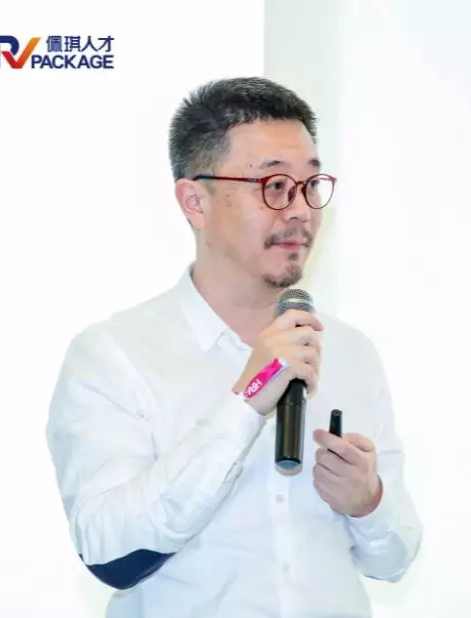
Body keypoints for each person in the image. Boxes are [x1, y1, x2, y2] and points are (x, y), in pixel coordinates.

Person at [46, 76, 423, 618]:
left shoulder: (350, 351)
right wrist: (248, 398)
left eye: (310, 185)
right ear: (195, 202)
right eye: (274, 185)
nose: (300, 210)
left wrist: (368, 502)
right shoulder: (114, 356)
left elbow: (395, 559)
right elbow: (109, 550)